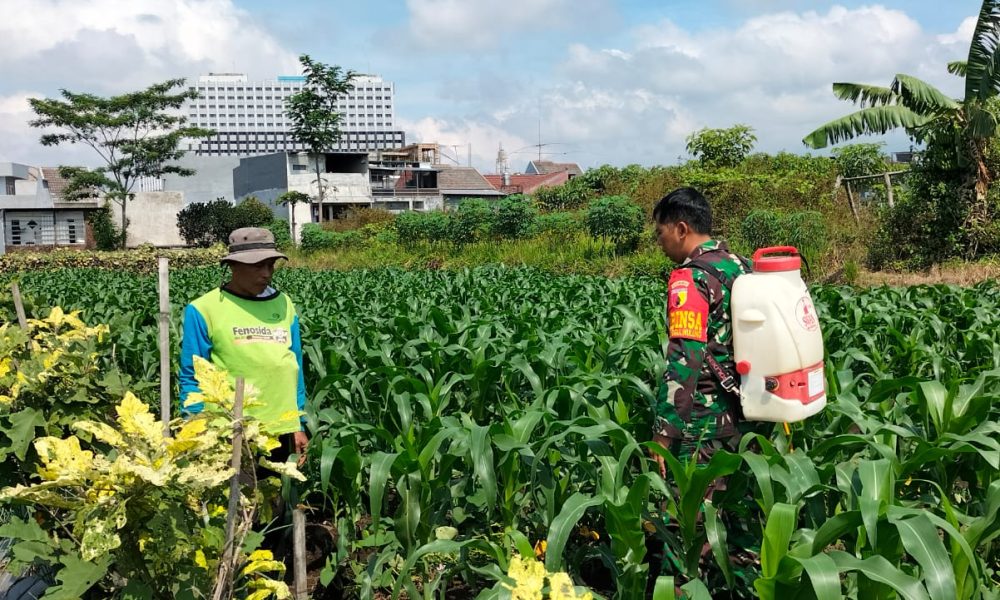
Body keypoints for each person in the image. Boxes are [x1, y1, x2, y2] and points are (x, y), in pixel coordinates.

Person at [179, 227, 308, 469]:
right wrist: (194, 426)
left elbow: (295, 366)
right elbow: (192, 375)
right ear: (233, 266)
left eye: (271, 265)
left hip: (281, 427)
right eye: (258, 266)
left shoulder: (284, 303)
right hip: (231, 429)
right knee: (239, 502)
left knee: (278, 502)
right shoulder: (203, 309)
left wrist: (297, 424)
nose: (267, 273)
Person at [649, 187, 752, 479]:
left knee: (692, 513)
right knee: (737, 510)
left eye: (660, 233)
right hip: (750, 410)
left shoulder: (691, 277)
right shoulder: (742, 266)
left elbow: (686, 357)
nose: (659, 242)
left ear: (681, 229)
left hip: (706, 422)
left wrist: (666, 429)